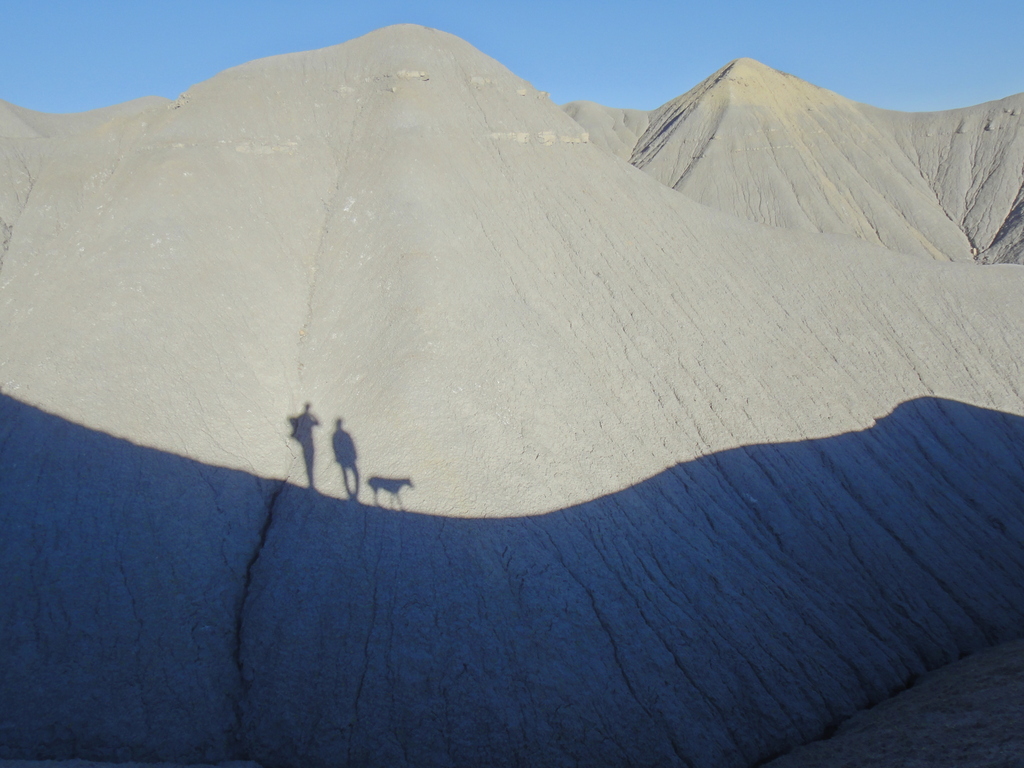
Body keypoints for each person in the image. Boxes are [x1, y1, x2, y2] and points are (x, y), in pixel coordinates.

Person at [288, 402, 320, 488]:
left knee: (307, 460)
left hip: (304, 442)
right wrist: (312, 415)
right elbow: (317, 423)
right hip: (308, 442)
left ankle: (310, 481)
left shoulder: (301, 417)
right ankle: (311, 482)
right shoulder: (305, 417)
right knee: (309, 460)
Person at [332, 418, 360, 500]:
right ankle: (353, 491)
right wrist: (354, 454)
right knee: (353, 473)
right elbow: (350, 444)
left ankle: (350, 491)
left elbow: (335, 447)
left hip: (344, 457)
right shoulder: (343, 434)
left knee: (348, 474)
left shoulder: (336, 435)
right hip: (347, 456)